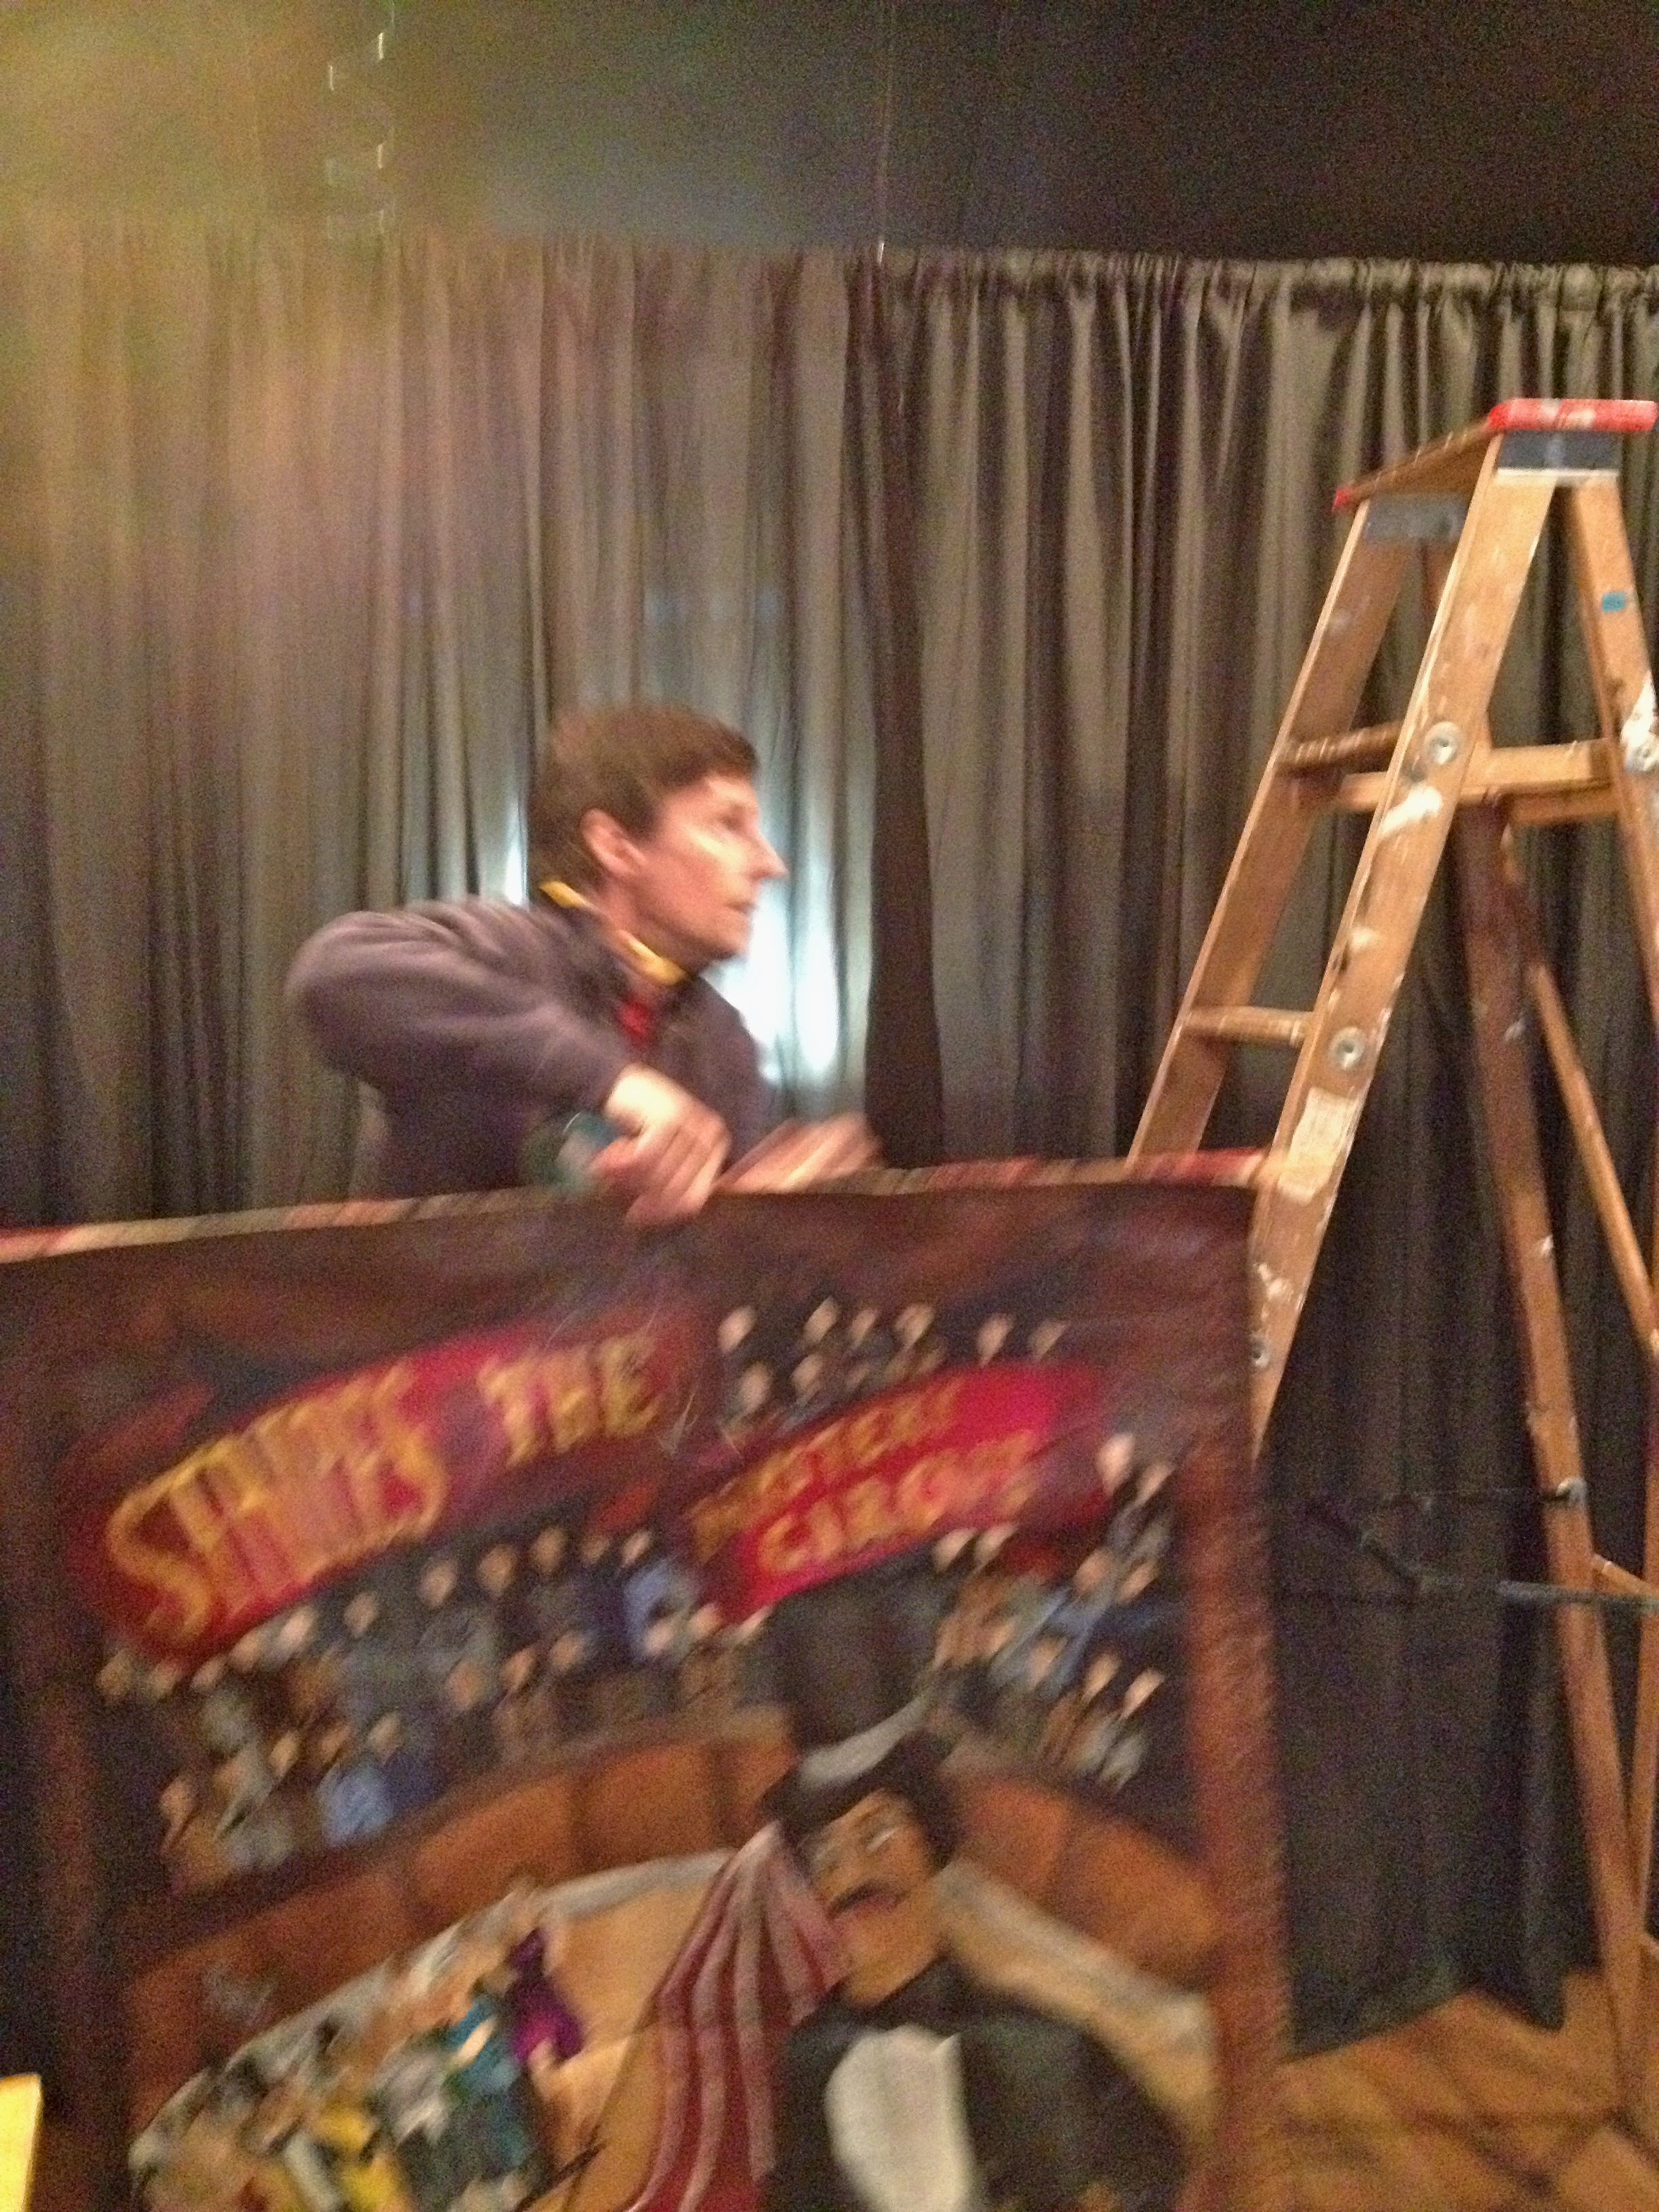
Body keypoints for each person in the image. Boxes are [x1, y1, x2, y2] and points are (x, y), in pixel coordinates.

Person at [287, 701, 872, 1221]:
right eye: (727, 825)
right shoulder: (510, 950)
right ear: (616, 846)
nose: (770, 863)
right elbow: (334, 975)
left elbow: (685, 1252)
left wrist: (746, 1208)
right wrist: (616, 1083)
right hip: (441, 1310)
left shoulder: (722, 1038)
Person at [760, 1582, 1189, 2212]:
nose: (854, 1872)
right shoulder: (806, 2065)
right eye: (824, 1855)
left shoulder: (1045, 2048)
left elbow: (1162, 2169)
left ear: (931, 1844)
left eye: (879, 1833)